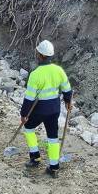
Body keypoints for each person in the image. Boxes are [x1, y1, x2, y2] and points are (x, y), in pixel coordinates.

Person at [20, 40, 72, 178]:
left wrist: (24, 114)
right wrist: (68, 101)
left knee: (29, 128)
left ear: (41, 55)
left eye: (38, 53)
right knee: (53, 137)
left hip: (39, 109)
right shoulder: (58, 70)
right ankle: (54, 167)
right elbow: (67, 88)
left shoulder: (35, 74)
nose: (36, 54)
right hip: (54, 109)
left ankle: (35, 157)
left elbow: (29, 98)